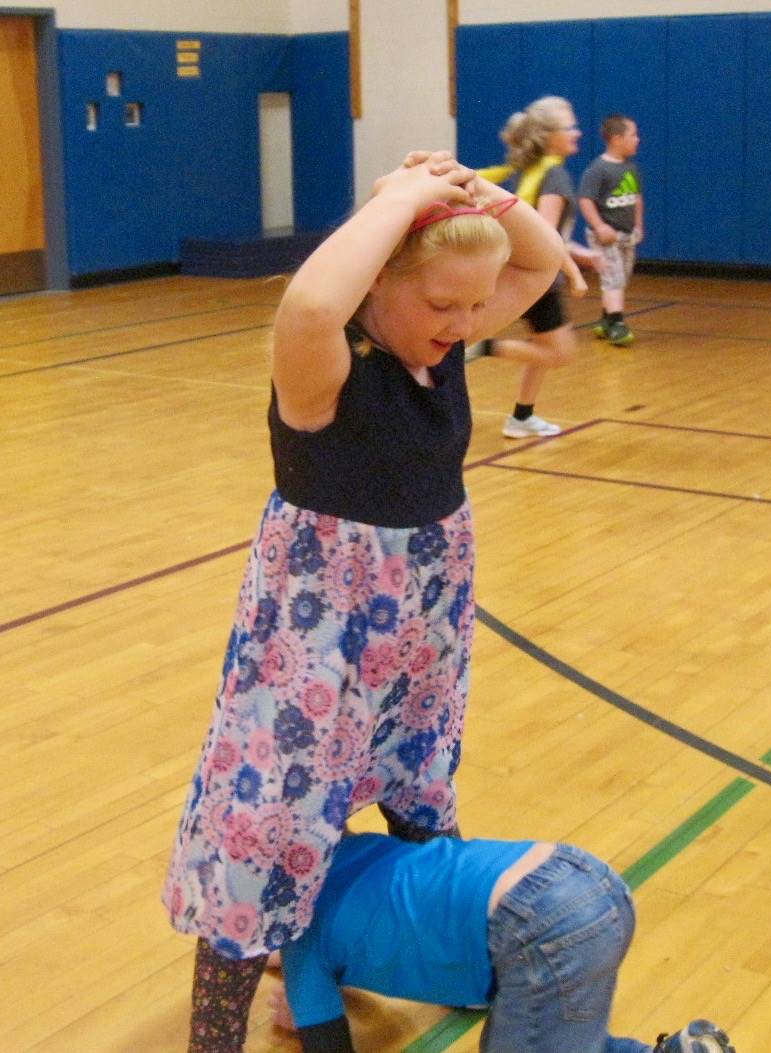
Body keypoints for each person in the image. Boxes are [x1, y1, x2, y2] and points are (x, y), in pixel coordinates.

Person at [161, 150, 567, 1053]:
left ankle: (438, 951)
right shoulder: (323, 367)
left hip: (422, 618)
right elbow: (310, 301)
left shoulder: (441, 343)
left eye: (473, 306)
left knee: (420, 788)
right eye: (441, 305)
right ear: (378, 281)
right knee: (266, 823)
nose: (462, 324)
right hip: (319, 636)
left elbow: (539, 267)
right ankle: (213, 1036)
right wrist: (402, 198)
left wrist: (477, 189)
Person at [267, 831, 736, 1053]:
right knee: (560, 1036)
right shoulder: (356, 848)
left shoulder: (301, 942)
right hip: (590, 881)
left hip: (540, 928)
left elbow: (329, 1045)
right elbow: (380, 923)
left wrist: (306, 1008)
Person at [472, 95, 603, 439]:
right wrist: (576, 269)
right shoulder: (554, 176)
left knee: (540, 346)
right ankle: (480, 348)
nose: (577, 132)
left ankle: (522, 416)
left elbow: (544, 234)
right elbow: (544, 238)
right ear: (548, 135)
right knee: (559, 352)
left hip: (523, 273)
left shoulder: (532, 172)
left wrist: (583, 257)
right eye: (570, 127)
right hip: (534, 280)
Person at [578, 114, 644, 347]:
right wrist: (599, 226)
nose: (638, 139)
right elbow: (585, 200)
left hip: (627, 235)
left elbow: (636, 197)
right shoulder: (599, 169)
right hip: (605, 237)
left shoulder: (630, 168)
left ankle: (606, 320)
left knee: (621, 277)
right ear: (616, 139)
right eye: (633, 135)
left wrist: (638, 224)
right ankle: (617, 323)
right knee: (613, 278)